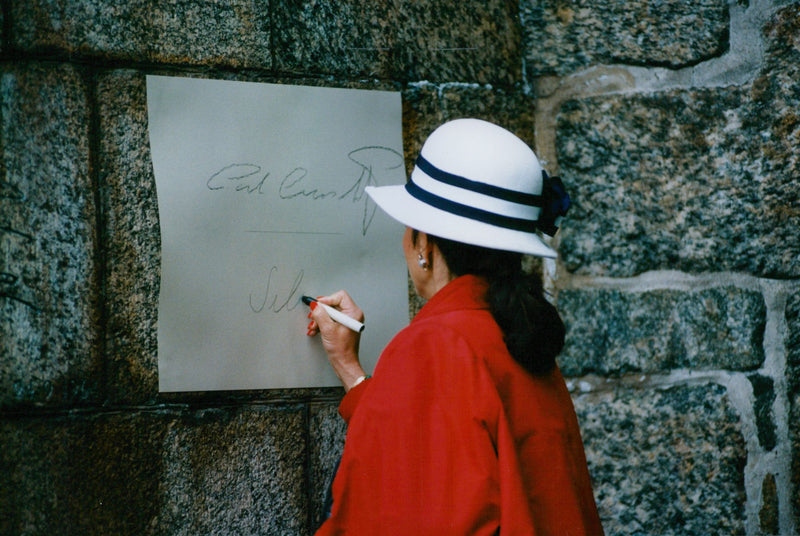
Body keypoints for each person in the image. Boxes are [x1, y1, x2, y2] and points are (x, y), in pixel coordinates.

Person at [306, 118, 603, 535]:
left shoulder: (435, 344)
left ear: (424, 244)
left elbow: (405, 513)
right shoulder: (510, 329)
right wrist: (352, 372)